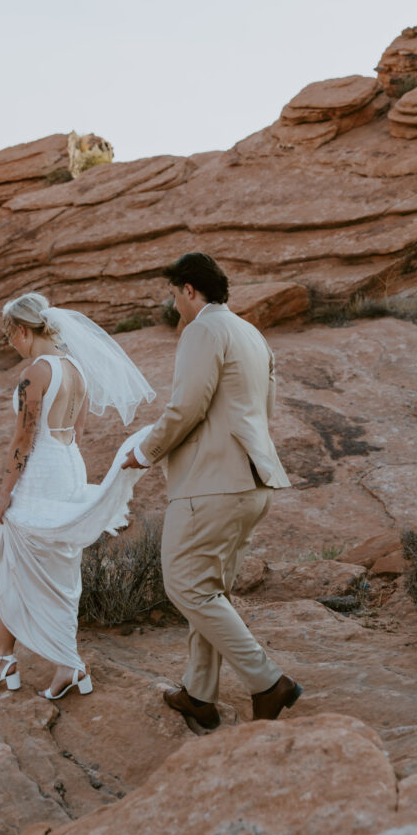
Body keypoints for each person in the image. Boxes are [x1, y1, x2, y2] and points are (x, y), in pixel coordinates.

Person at [122, 253, 301, 726]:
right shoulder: (251, 333)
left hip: (212, 483)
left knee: (185, 587)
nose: (173, 302)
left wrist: (146, 452)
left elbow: (187, 407)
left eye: (173, 292)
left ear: (187, 289)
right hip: (253, 481)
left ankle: (267, 682)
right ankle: (199, 696)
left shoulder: (201, 329)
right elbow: (263, 408)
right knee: (208, 590)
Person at [0, 293, 154, 700]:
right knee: (34, 564)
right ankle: (5, 657)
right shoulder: (76, 367)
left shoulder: (35, 373)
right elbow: (77, 432)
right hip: (69, 464)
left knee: (27, 563)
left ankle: (67, 664)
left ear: (23, 330)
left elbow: (24, 436)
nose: (12, 345)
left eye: (11, 337)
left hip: (40, 471)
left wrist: (6, 492)